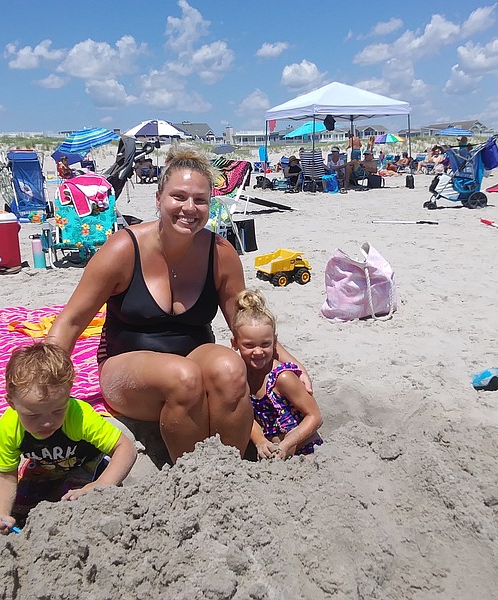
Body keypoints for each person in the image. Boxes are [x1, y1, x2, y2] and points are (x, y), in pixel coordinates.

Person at [45, 146, 311, 464]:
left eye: (200, 200)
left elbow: (246, 325)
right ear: (158, 199)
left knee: (229, 369)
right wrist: (46, 382)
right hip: (127, 368)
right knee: (184, 377)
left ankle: (232, 472)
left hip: (196, 360)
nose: (190, 207)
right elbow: (71, 322)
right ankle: (190, 478)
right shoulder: (123, 251)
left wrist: (290, 364)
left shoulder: (220, 254)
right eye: (179, 197)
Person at [0, 343, 137, 533]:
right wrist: (0, 514)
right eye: (33, 415)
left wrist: (99, 486)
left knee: (74, 501)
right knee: (20, 507)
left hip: (89, 463)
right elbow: (4, 477)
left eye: (58, 410)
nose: (46, 423)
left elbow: (125, 448)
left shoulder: (78, 415)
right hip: (46, 467)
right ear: (12, 403)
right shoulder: (10, 427)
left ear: (68, 394)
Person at [231, 289, 323, 460]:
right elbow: (245, 416)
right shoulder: (240, 376)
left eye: (265, 344)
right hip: (272, 453)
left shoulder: (282, 377)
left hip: (303, 451)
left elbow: (315, 416)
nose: (258, 352)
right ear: (235, 343)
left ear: (274, 341)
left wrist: (286, 444)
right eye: (249, 345)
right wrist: (259, 441)